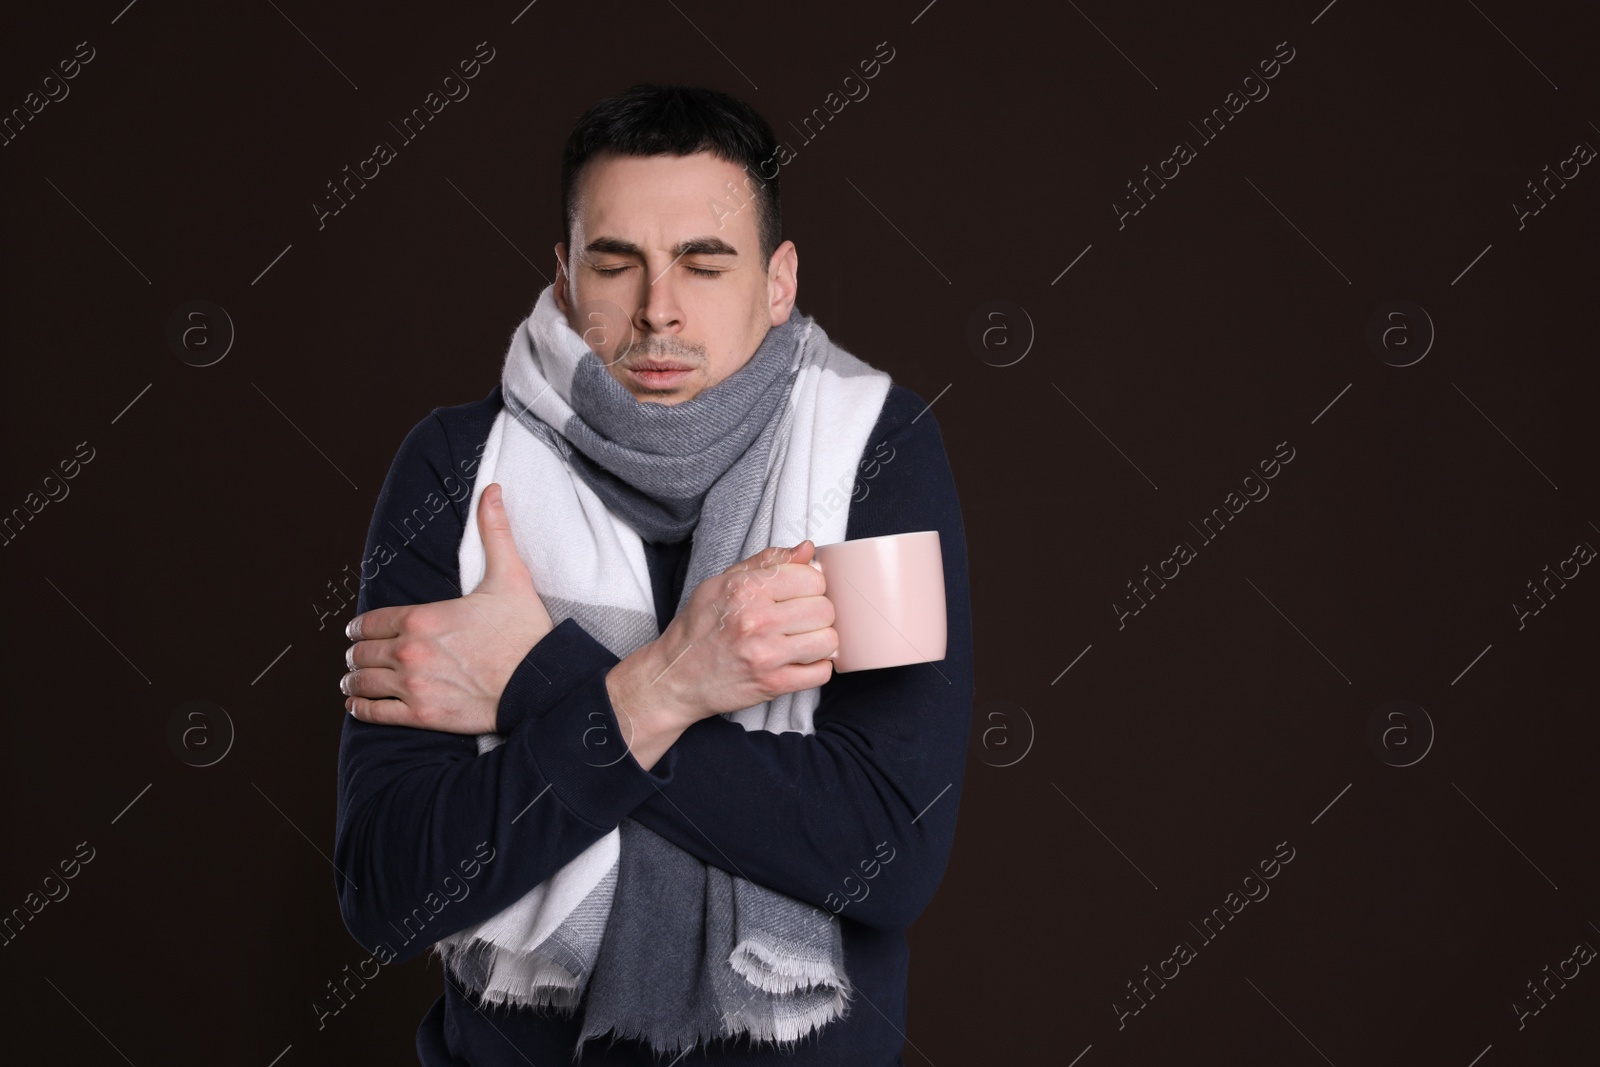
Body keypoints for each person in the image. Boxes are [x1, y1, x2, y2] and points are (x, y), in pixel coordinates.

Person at [331, 83, 974, 1066]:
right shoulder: (456, 471)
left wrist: (536, 679)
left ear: (778, 280)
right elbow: (388, 888)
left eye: (704, 263)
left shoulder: (871, 452)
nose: (656, 311)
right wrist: (667, 683)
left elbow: (885, 850)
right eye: (614, 262)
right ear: (562, 276)